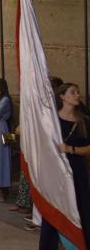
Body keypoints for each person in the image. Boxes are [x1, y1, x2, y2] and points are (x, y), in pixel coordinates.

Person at [40, 83, 90, 248]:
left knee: (81, 207)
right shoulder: (52, 120)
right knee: (55, 209)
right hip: (56, 172)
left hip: (77, 170)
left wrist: (71, 149)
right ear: (62, 96)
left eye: (78, 92)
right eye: (73, 92)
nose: (77, 95)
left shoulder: (84, 121)